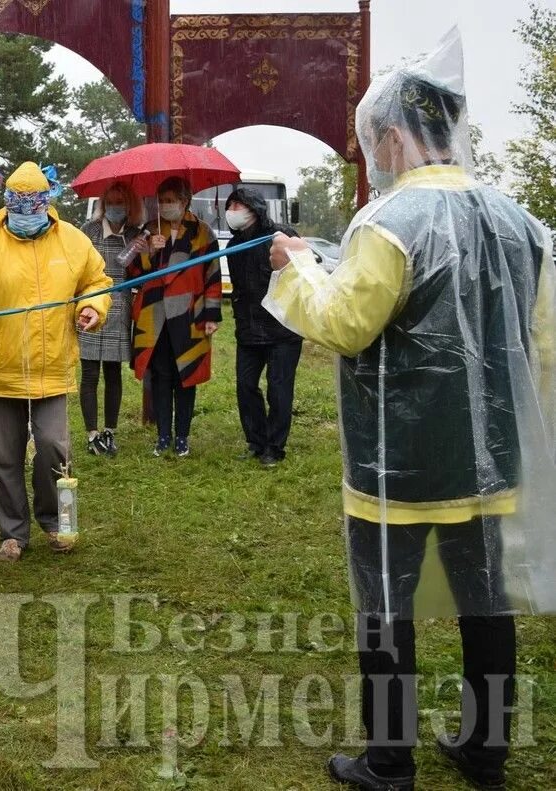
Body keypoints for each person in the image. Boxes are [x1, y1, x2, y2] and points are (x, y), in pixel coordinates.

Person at [264, 30, 556, 791]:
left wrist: (295, 268)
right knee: (484, 605)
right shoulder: (521, 223)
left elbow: (346, 323)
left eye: (372, 142)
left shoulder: (389, 222)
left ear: (394, 133)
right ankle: (484, 750)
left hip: (396, 463)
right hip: (490, 457)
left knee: (386, 606)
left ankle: (389, 760)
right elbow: (543, 342)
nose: (372, 156)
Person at [0, 162, 112, 561]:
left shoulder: (71, 240)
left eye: (31, 207)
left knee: (54, 446)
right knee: (2, 454)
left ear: (46, 204)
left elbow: (97, 280)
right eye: (16, 207)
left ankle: (54, 520)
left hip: (51, 365)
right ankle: (12, 532)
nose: (24, 215)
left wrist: (92, 306)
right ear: (6, 204)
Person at [128, 176, 222, 458]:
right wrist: (149, 251)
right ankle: (162, 436)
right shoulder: (149, 229)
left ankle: (182, 436)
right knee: (160, 377)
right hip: (154, 316)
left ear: (185, 201)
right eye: (162, 200)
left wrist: (212, 315)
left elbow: (213, 276)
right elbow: (131, 271)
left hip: (189, 314)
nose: (166, 206)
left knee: (186, 376)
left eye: (171, 200)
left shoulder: (203, 232)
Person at [224, 186, 302, 466]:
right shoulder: (233, 247)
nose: (233, 212)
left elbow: (305, 270)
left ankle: (275, 447)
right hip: (248, 330)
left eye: (239, 206)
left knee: (278, 389)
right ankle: (256, 442)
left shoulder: (282, 236)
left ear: (254, 209)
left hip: (283, 329)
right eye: (230, 206)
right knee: (245, 387)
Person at [78, 181, 145, 457]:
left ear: (129, 205)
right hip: (91, 303)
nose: (116, 207)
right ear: (103, 204)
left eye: (121, 202)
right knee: (90, 372)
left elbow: (141, 273)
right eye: (111, 201)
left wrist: (146, 251)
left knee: (114, 372)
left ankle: (110, 431)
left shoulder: (135, 234)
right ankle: (92, 434)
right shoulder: (88, 231)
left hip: (121, 304)